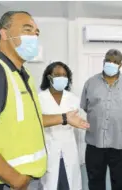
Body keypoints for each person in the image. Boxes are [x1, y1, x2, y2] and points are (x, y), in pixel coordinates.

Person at [0, 11, 89, 190]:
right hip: (6, 183)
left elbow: (32, 120)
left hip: (25, 181)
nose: (34, 37)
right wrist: (15, 179)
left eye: (36, 33)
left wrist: (65, 118)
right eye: (27, 30)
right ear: (4, 33)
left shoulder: (23, 75)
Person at [80, 49, 122, 190]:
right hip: (95, 143)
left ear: (120, 65)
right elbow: (86, 107)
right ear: (103, 61)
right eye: (108, 60)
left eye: (115, 62)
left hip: (120, 143)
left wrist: (120, 121)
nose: (111, 63)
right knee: (95, 181)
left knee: (120, 183)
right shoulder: (90, 83)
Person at [38, 61, 83, 190]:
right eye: (57, 75)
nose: (61, 78)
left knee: (69, 185)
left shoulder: (73, 99)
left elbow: (76, 125)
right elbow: (36, 121)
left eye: (64, 75)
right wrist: (64, 119)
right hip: (49, 151)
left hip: (69, 151)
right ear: (49, 77)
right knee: (51, 184)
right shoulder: (40, 98)